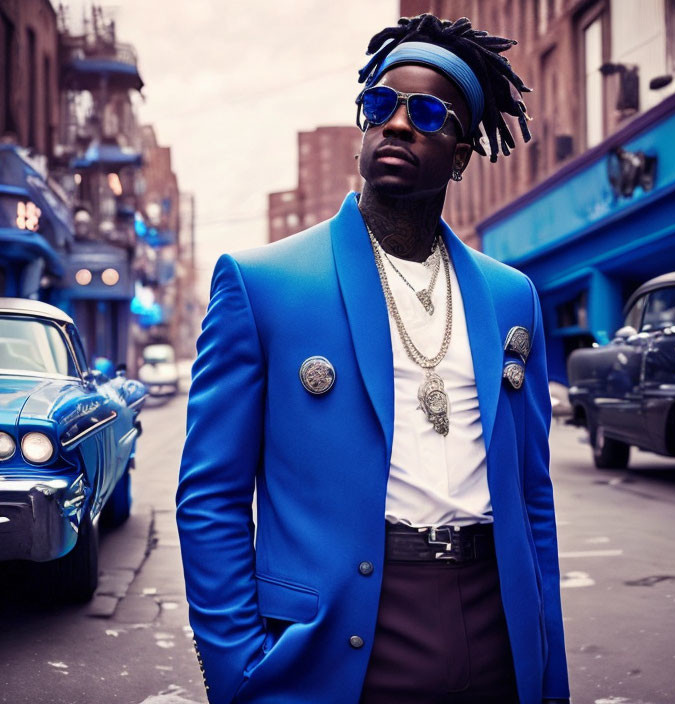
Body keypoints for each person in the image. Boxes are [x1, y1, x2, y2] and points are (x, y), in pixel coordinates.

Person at [176, 13, 570, 704]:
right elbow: (210, 498)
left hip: (497, 625)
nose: (396, 124)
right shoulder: (262, 281)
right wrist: (238, 672)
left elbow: (533, 498)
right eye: (380, 106)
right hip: (346, 637)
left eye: (425, 113)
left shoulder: (514, 299)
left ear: (460, 153)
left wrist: (549, 669)